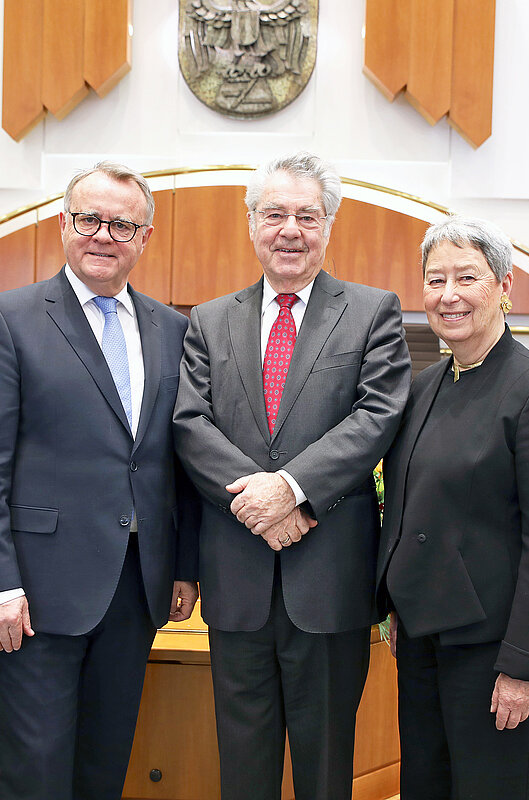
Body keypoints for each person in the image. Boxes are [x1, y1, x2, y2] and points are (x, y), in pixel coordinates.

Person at [0, 162, 200, 800]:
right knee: (34, 777)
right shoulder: (8, 319)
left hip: (133, 589)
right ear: (65, 224)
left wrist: (182, 565)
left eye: (122, 224)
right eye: (89, 219)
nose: (103, 235)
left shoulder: (172, 329)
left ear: (145, 237)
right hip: (33, 593)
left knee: (102, 770)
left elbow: (176, 462)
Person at [173, 152, 410, 800]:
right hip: (237, 579)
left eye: (307, 215)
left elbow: (377, 416)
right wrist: (260, 501)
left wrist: (291, 489)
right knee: (242, 764)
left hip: (329, 580)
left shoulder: (371, 312)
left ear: (329, 226)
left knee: (326, 767)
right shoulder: (209, 319)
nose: (290, 229)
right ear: (251, 224)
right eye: (274, 213)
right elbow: (190, 425)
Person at [376, 216, 529, 799]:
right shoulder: (422, 387)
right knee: (426, 787)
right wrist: (395, 601)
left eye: (466, 277)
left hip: (494, 651)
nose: (449, 295)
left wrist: (524, 664)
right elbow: (411, 508)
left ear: (503, 286)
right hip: (421, 638)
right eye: (435, 279)